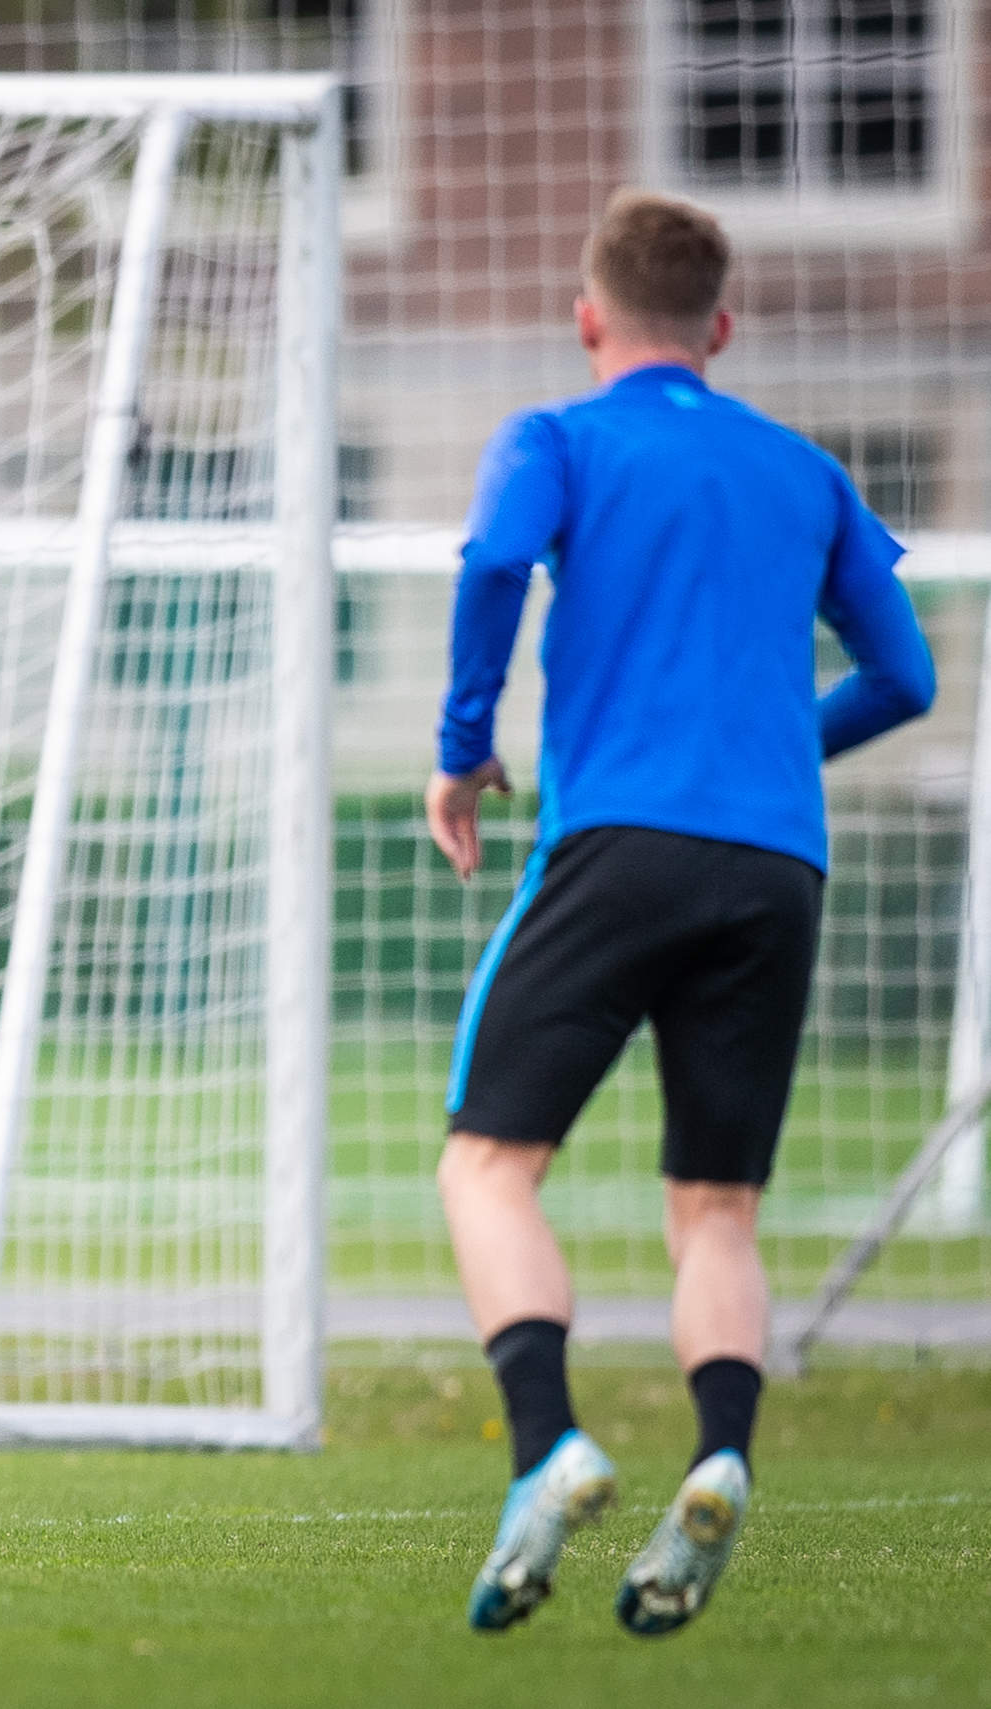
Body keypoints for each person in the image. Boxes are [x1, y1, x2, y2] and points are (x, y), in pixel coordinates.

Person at [430, 189, 934, 1636]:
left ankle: (549, 1445)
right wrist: (772, 753)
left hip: (619, 846)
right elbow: (904, 676)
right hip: (776, 869)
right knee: (716, 1208)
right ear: (719, 328)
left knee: (488, 1166)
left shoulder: (556, 437)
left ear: (589, 316)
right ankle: (719, 1456)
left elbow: (490, 564)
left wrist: (464, 747)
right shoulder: (803, 468)